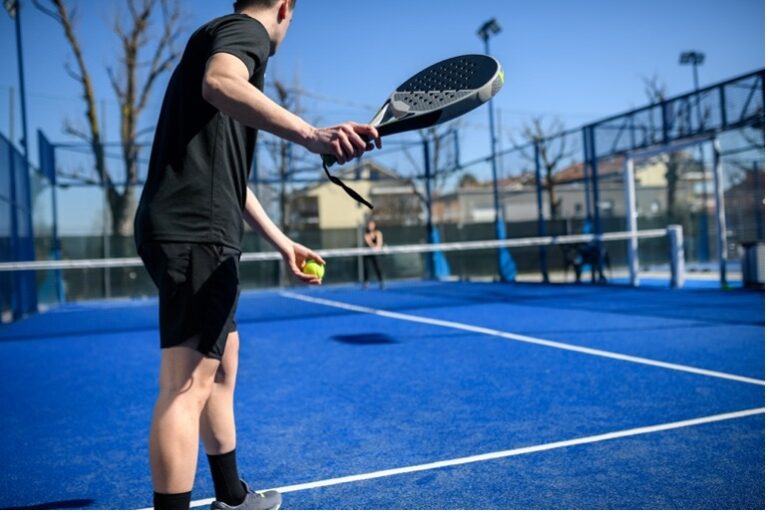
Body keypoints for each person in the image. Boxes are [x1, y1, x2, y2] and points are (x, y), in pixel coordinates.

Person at [133, 0, 381, 510]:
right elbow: (219, 82)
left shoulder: (221, 42)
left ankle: (231, 495)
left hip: (201, 226)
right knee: (186, 386)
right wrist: (314, 135)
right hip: (195, 229)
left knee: (221, 368)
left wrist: (282, 241)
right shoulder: (245, 35)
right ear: (286, 8)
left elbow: (232, 179)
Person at [362, 220, 384, 289]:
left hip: (376, 253)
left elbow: (379, 243)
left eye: (371, 225)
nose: (370, 226)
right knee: (366, 268)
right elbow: (370, 244)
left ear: (374, 225)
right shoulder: (366, 234)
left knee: (378, 267)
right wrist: (373, 246)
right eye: (369, 225)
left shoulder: (378, 233)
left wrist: (377, 247)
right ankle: (366, 283)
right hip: (367, 253)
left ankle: (381, 281)